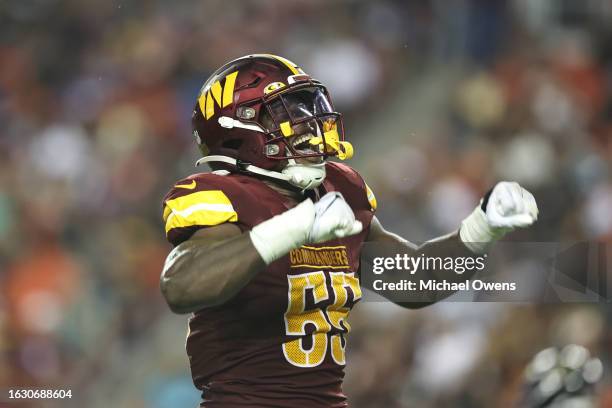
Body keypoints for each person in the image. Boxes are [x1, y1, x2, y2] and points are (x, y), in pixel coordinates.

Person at [160, 54, 538, 407]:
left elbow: (417, 280)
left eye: (310, 107)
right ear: (239, 127)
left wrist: (482, 226)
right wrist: (293, 228)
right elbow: (182, 285)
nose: (310, 123)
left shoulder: (337, 190)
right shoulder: (223, 194)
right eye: (287, 112)